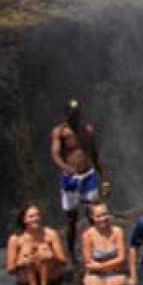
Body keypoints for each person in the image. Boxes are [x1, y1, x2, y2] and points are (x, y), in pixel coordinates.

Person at [50, 99, 111, 258]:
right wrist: (65, 167)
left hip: (88, 176)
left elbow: (96, 155)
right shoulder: (60, 132)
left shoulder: (87, 130)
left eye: (76, 114)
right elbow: (55, 154)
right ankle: (71, 253)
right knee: (72, 218)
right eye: (71, 115)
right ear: (66, 115)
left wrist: (104, 179)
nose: (74, 118)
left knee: (94, 214)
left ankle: (98, 248)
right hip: (70, 179)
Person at [6, 203, 68, 285]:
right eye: (31, 216)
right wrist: (21, 263)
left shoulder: (51, 234)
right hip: (26, 284)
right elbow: (10, 269)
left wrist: (51, 257)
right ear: (24, 220)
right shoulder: (15, 239)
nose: (36, 218)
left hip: (51, 281)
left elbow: (64, 261)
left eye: (37, 215)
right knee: (26, 251)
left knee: (43, 249)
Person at [81, 202, 127, 285]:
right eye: (99, 216)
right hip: (94, 273)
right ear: (92, 217)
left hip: (115, 272)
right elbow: (88, 262)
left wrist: (101, 266)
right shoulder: (88, 235)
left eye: (105, 214)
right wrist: (105, 267)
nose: (103, 218)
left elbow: (122, 258)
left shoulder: (117, 231)